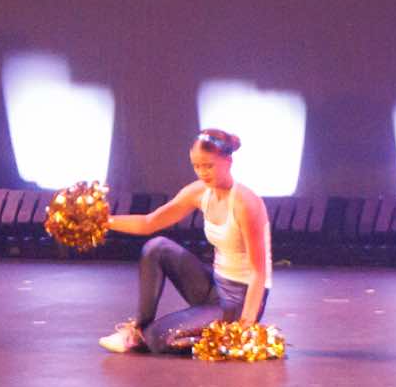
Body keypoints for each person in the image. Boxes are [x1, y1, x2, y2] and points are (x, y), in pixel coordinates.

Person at [96, 128, 272, 355]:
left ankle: (222, 337)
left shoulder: (246, 203)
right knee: (157, 247)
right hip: (214, 288)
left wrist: (246, 328)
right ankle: (138, 329)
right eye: (196, 166)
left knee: (158, 338)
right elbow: (148, 222)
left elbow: (259, 272)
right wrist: (102, 221)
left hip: (240, 300)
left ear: (228, 161)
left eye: (208, 166)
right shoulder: (199, 192)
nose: (202, 173)